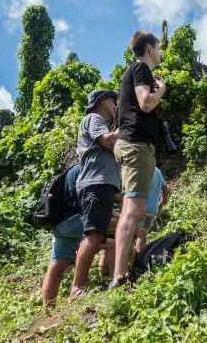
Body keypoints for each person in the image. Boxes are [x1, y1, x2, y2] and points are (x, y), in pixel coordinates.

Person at [111, 31, 166, 288]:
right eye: (158, 47)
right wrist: (161, 92)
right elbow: (145, 103)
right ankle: (119, 276)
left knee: (136, 210)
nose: (161, 51)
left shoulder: (134, 72)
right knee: (132, 211)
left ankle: (126, 270)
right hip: (135, 146)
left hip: (135, 145)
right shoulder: (141, 68)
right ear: (150, 48)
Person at [69, 90, 121, 299]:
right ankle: (76, 287)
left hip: (102, 184)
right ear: (100, 103)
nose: (115, 105)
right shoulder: (94, 118)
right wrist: (126, 124)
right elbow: (108, 141)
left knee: (98, 234)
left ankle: (102, 278)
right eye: (112, 101)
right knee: (94, 235)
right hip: (96, 183)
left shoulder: (100, 121)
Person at [98, 167, 168, 277]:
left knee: (129, 238)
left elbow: (125, 192)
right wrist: (161, 205)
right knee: (140, 235)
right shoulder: (157, 171)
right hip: (151, 211)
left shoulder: (134, 169)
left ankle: (131, 268)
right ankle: (139, 266)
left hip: (136, 209)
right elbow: (165, 190)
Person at [41, 164, 82, 306]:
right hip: (75, 220)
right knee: (116, 236)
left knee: (57, 265)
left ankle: (48, 309)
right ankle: (119, 281)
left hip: (59, 221)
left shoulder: (71, 170)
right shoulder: (90, 168)